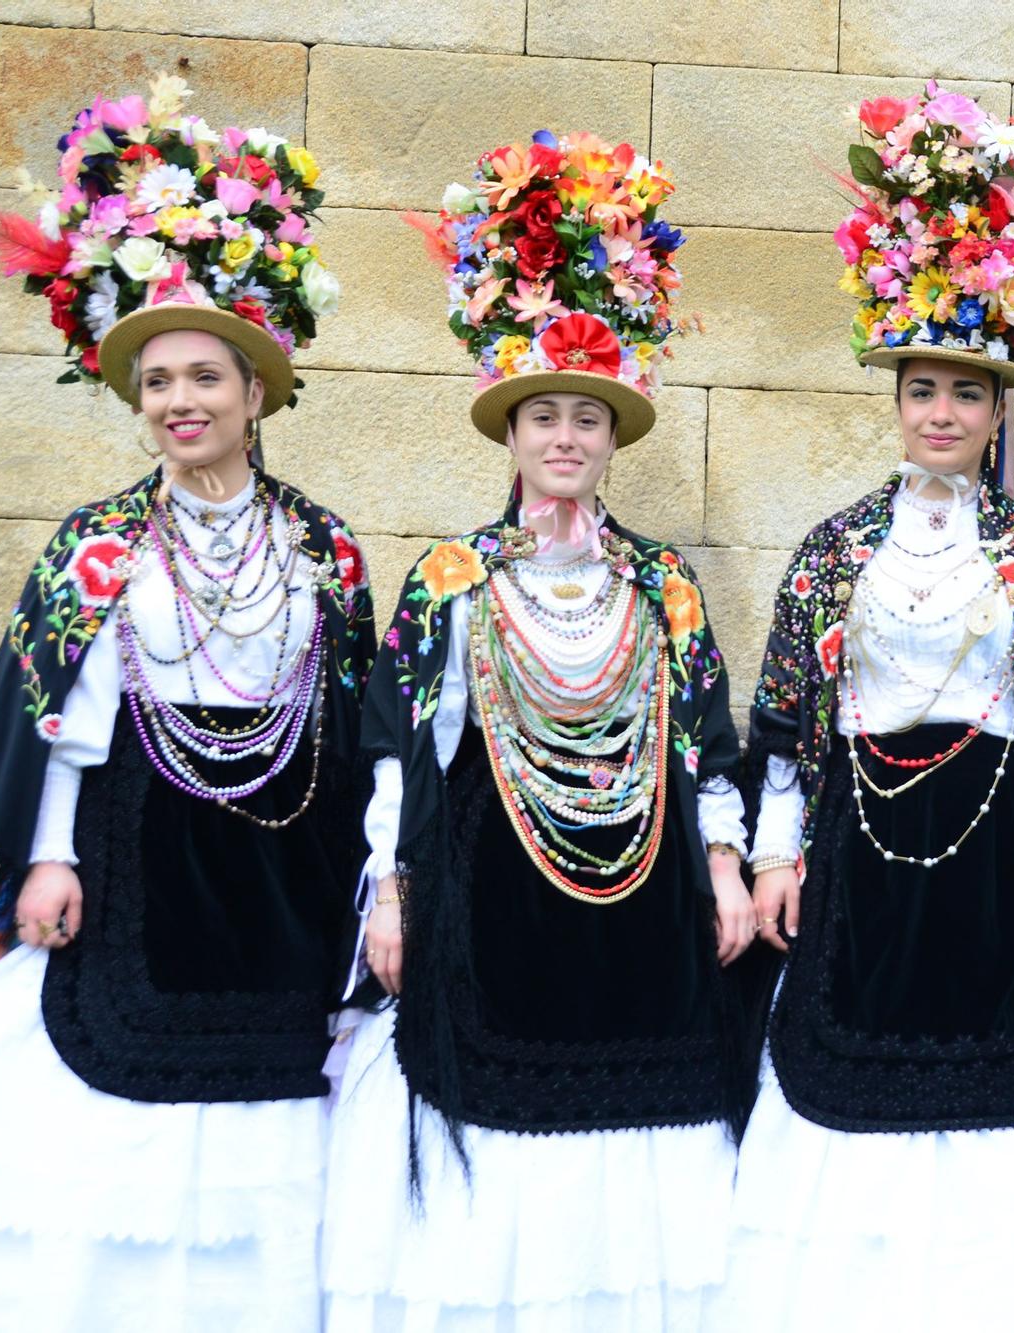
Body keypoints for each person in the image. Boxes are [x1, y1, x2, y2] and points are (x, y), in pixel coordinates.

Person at [0, 76, 369, 1330]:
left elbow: (346, 732)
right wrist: (45, 859)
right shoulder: (100, 544)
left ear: (256, 393)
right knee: (116, 1075)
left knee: (272, 1080)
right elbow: (58, 713)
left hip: (279, 862)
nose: (180, 402)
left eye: (205, 378)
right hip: (133, 845)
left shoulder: (324, 549)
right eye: (158, 381)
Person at [710, 86, 1014, 1331]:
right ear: (893, 402)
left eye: (965, 391)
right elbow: (787, 724)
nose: (942, 412)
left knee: (1003, 1092)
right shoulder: (834, 549)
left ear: (1000, 409)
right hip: (865, 852)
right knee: (851, 1078)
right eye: (921, 389)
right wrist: (782, 850)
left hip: (1002, 859)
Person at [319, 131, 754, 1332]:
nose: (564, 438)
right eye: (543, 418)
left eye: (586, 420)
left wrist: (722, 865)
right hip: (491, 888)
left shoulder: (661, 580)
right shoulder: (453, 577)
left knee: (640, 1098)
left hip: (643, 898)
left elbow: (703, 741)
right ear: (509, 435)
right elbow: (404, 750)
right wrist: (392, 894)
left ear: (614, 439)